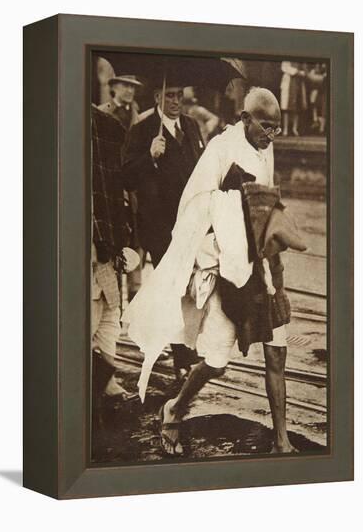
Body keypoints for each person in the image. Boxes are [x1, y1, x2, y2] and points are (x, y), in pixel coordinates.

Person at [123, 88, 306, 456]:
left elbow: (266, 202)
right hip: (228, 265)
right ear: (244, 118)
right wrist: (232, 216)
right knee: (216, 362)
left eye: (276, 129)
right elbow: (194, 208)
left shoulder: (265, 147)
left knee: (276, 352)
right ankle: (174, 408)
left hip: (264, 264)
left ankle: (281, 441)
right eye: (265, 126)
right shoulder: (220, 149)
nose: (270, 136)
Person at [123, 82, 205, 380]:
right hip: (160, 228)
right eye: (169, 96)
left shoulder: (191, 126)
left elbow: (202, 168)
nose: (175, 101)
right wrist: (151, 156)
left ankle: (187, 347)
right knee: (172, 288)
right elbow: (127, 176)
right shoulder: (143, 130)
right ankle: (181, 356)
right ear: (157, 97)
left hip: (191, 224)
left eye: (179, 96)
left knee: (194, 287)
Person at [91, 105, 137, 419]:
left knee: (110, 314)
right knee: (91, 317)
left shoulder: (106, 125)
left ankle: (104, 382)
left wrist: (121, 241)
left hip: (105, 245)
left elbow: (119, 187)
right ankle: (86, 392)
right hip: (88, 250)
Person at [99, 74, 144, 302]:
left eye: (133, 87)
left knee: (134, 247)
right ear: (113, 87)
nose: (129, 91)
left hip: (133, 191)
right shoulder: (103, 114)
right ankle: (113, 309)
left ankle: (133, 314)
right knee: (114, 247)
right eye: (125, 85)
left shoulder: (137, 117)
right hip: (111, 189)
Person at [280, 61, 308, 136]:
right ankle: (285, 128)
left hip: (299, 83)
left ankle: (294, 128)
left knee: (297, 107)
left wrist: (301, 73)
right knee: (286, 108)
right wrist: (296, 71)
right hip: (289, 82)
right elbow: (284, 67)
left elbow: (305, 71)